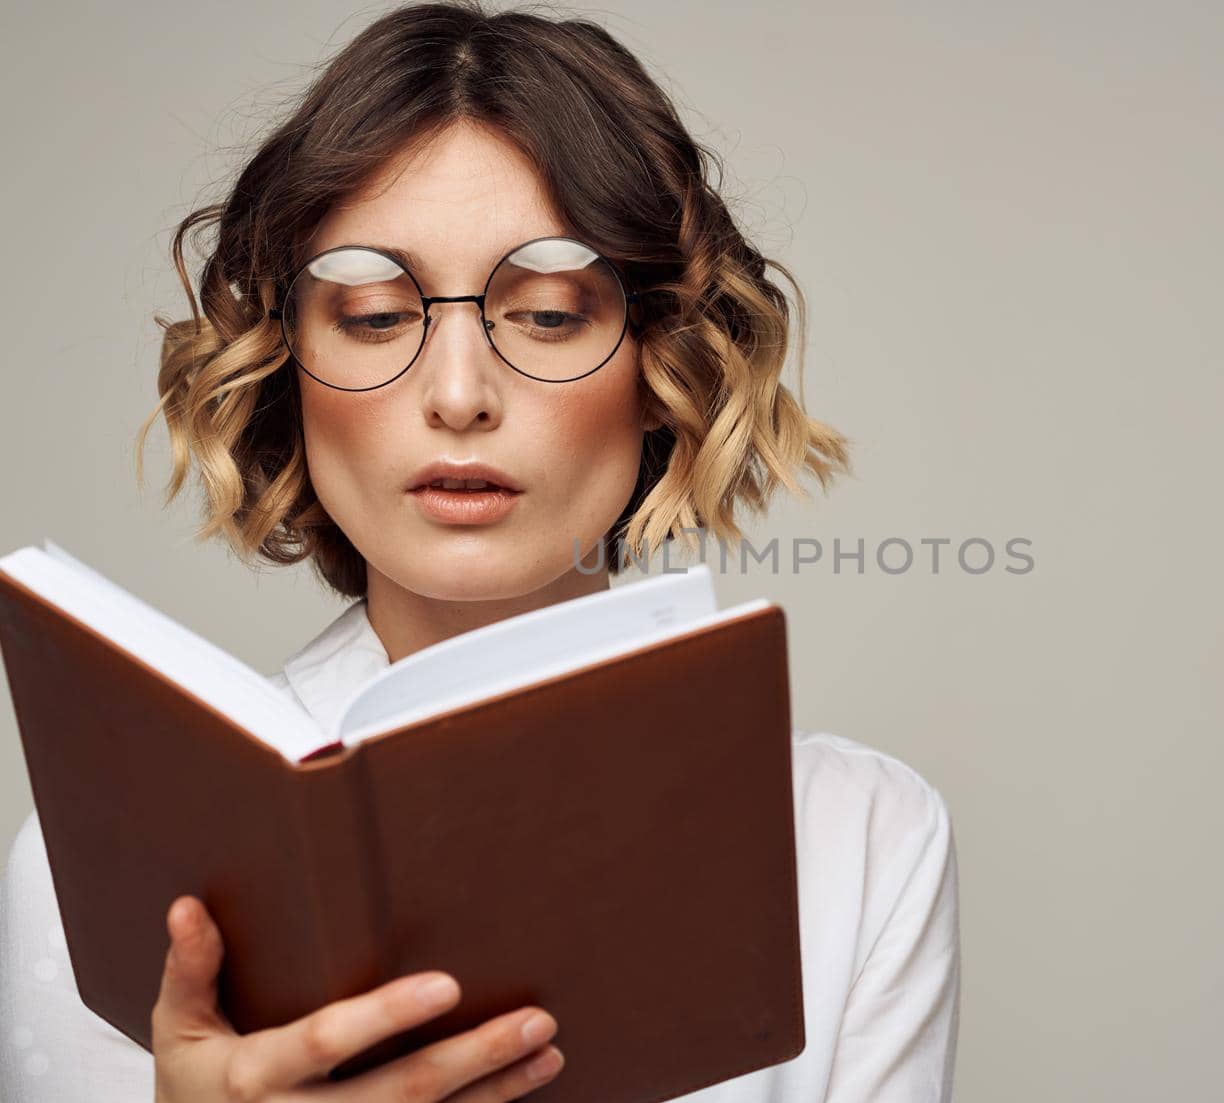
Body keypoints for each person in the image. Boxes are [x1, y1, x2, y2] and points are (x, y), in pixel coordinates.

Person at [0, 3, 960, 1100]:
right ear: (286, 365)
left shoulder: (857, 840)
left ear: (662, 364)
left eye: (548, 312)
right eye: (371, 314)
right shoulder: (108, 864)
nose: (458, 395)